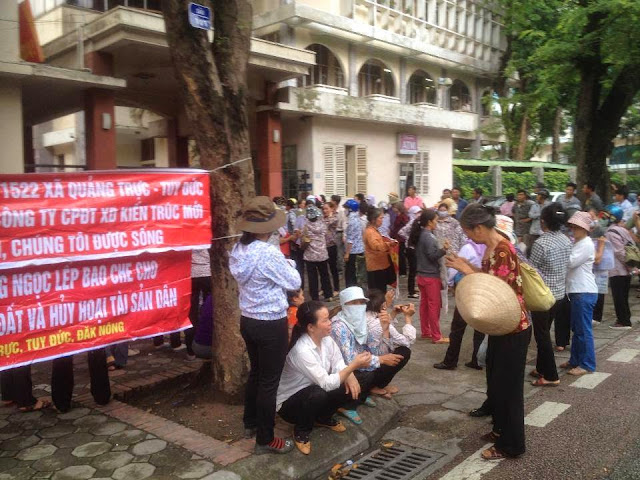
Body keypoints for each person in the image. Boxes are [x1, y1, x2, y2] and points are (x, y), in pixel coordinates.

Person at [445, 203, 531, 460]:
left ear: (479, 228)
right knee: (495, 383)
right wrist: (466, 266)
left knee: (509, 389)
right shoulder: (492, 247)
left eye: (468, 233)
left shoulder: (503, 249)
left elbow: (495, 289)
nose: (469, 238)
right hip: (501, 326)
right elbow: (490, 278)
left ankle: (512, 445)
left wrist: (466, 270)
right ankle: (500, 429)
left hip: (513, 327)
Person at [229, 196, 302, 455]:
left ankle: (250, 422)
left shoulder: (239, 249)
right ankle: (265, 438)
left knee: (257, 374)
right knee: (269, 381)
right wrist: (289, 264)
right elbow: (294, 281)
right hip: (270, 322)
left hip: (248, 319)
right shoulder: (268, 253)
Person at [276, 301, 371, 455]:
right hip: (290, 405)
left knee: (355, 380)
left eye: (329, 318)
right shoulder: (302, 350)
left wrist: (351, 375)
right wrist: (352, 366)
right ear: (311, 327)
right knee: (318, 393)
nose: (330, 323)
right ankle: (301, 430)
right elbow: (326, 384)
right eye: (325, 320)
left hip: (315, 390)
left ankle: (323, 418)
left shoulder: (326, 339)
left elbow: (338, 362)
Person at [331, 287, 408, 422]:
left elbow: (372, 350)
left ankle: (362, 395)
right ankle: (347, 406)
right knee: (367, 372)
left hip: (359, 364)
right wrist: (380, 359)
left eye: (361, 302)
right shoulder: (339, 326)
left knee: (375, 367)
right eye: (354, 303)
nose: (358, 306)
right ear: (344, 305)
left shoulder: (360, 321)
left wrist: (384, 329)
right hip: (342, 369)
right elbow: (350, 359)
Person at [528, 203, 571, 386]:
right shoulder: (566, 240)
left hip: (542, 296)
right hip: (559, 294)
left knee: (542, 336)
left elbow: (531, 270)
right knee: (545, 330)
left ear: (543, 221)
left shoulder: (541, 243)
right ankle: (541, 368)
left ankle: (551, 376)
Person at [433, 238, 487, 370]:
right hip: (482, 291)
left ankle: (450, 361)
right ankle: (476, 360)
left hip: (466, 290)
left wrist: (450, 283)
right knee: (479, 328)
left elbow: (454, 269)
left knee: (457, 328)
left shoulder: (467, 248)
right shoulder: (488, 249)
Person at [563, 211, 598, 376]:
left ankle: (587, 364)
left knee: (583, 330)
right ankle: (575, 360)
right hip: (578, 290)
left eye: (576, 227)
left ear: (585, 229)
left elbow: (570, 262)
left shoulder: (585, 244)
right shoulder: (578, 242)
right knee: (578, 329)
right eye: (572, 227)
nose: (573, 229)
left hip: (583, 290)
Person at [411, 210, 450, 344]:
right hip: (431, 276)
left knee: (425, 305)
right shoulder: (429, 237)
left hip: (421, 275)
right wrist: (444, 249)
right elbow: (432, 256)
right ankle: (436, 336)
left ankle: (426, 331)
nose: (437, 223)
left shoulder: (421, 234)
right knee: (434, 306)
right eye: (436, 221)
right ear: (429, 222)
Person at [365, 290, 416, 372]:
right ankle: (381, 379)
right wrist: (408, 317)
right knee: (404, 351)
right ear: (384, 305)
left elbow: (382, 322)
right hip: (374, 363)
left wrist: (393, 313)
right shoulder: (378, 322)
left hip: (361, 360)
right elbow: (407, 341)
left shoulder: (362, 317)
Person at [605, 204, 634, 329]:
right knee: (624, 296)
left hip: (617, 269)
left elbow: (619, 252)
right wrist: (631, 266)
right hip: (626, 270)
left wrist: (627, 263)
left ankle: (623, 321)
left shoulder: (611, 232)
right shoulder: (623, 230)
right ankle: (625, 318)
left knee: (619, 297)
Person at [185, 248, 212, 360]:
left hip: (191, 273)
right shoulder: (209, 237)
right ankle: (207, 344)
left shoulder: (186, 237)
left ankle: (190, 350)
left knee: (191, 312)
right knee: (209, 309)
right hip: (207, 273)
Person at [303, 205, 334, 301]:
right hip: (322, 254)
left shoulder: (306, 226)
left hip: (310, 255)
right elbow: (328, 238)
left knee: (312, 277)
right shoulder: (323, 225)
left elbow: (304, 239)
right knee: (325, 275)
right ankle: (328, 294)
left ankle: (314, 297)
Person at [364, 208, 397, 293]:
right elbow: (376, 246)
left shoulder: (374, 230)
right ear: (374, 219)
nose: (382, 220)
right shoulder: (370, 232)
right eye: (380, 218)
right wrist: (389, 244)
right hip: (375, 267)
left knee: (381, 290)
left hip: (380, 264)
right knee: (378, 292)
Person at [399, 205, 423, 299]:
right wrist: (409, 238)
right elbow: (401, 232)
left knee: (414, 269)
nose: (419, 214)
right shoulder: (412, 222)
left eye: (420, 212)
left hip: (413, 248)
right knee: (412, 270)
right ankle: (411, 291)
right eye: (417, 212)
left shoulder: (417, 222)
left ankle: (413, 288)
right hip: (410, 248)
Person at [344, 199, 365, 287]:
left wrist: (347, 253)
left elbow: (350, 239)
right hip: (360, 249)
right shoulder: (357, 218)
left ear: (350, 209)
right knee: (357, 273)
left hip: (353, 251)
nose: (345, 210)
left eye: (346, 208)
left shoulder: (351, 221)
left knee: (350, 274)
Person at [526, 189, 551, 256]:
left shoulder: (549, 205)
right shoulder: (534, 205)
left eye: (538, 195)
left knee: (542, 249)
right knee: (530, 248)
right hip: (534, 230)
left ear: (543, 196)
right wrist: (540, 214)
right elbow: (530, 215)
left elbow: (548, 215)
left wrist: (537, 215)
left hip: (544, 231)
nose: (537, 196)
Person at [323, 201, 340, 295]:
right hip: (323, 246)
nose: (324, 210)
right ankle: (324, 287)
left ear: (332, 209)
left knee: (333, 268)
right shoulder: (323, 218)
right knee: (324, 269)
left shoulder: (334, 218)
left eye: (326, 208)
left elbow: (327, 224)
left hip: (331, 246)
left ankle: (336, 288)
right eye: (323, 209)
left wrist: (329, 216)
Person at [390, 202, 410, 276]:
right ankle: (400, 270)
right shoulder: (398, 216)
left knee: (401, 255)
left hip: (401, 238)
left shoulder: (403, 217)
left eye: (394, 207)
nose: (393, 209)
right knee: (399, 254)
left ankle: (403, 271)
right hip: (397, 237)